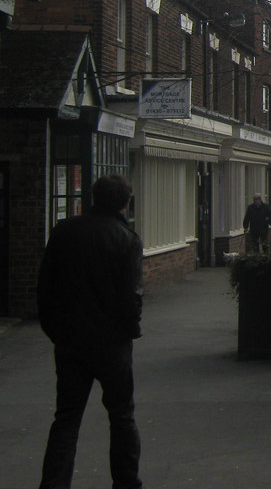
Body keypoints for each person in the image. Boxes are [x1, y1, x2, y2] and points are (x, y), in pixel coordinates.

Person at [37, 173, 143, 489]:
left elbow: (45, 288)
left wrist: (55, 330)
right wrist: (130, 330)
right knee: (122, 416)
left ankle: (54, 484)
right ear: (125, 202)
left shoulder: (64, 232)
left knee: (66, 418)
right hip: (112, 343)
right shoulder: (127, 239)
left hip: (71, 339)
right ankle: (126, 482)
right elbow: (131, 295)